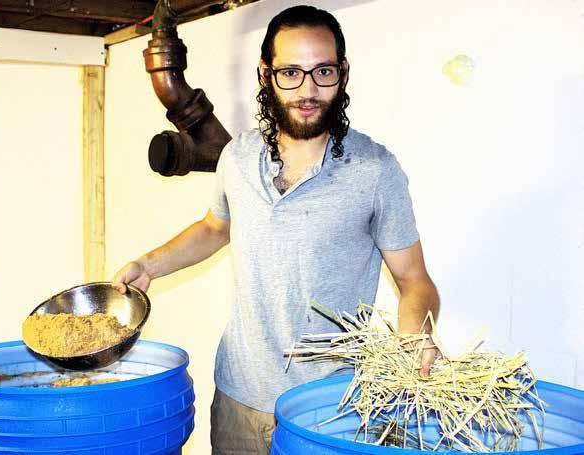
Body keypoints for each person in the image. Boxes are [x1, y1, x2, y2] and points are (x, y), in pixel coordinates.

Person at [112, 5, 440, 454]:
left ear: (343, 73)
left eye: (323, 71)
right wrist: (149, 265)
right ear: (266, 75)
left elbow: (414, 279)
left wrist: (416, 335)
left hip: (332, 406)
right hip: (239, 398)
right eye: (290, 73)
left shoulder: (375, 170)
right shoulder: (237, 157)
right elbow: (215, 227)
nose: (308, 90)